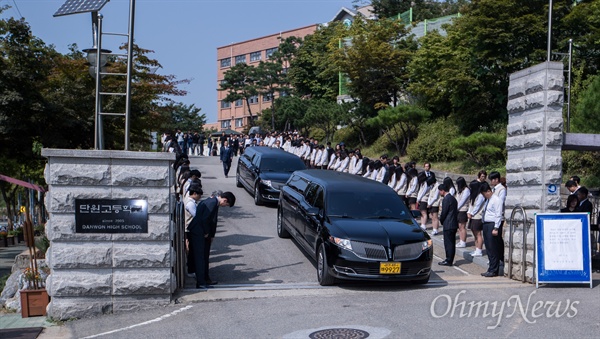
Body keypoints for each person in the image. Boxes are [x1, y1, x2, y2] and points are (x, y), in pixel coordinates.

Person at [187, 191, 236, 289]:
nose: (224, 206)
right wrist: (206, 232)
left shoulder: (211, 201)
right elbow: (205, 219)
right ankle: (201, 282)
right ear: (224, 200)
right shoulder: (212, 203)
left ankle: (205, 279)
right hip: (198, 233)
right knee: (200, 257)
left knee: (203, 256)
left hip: (198, 232)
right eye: (226, 204)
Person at [480, 182, 503, 277]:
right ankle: (491, 268)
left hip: (492, 224)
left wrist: (496, 227)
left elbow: (498, 214)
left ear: (488, 191)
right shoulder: (488, 200)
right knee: (489, 247)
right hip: (486, 224)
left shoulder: (496, 200)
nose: (484, 196)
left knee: (493, 247)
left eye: (484, 194)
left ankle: (494, 269)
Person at [184, 184, 203, 278]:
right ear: (194, 193)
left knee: (191, 249)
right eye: (199, 195)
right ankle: (191, 270)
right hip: (190, 228)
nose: (199, 198)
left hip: (189, 228)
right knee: (191, 250)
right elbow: (196, 215)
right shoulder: (190, 203)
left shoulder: (188, 200)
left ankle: (191, 269)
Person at [438, 184, 458, 266]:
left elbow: (444, 212)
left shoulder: (446, 199)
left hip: (448, 223)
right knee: (452, 242)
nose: (439, 192)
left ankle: (448, 259)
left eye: (440, 191)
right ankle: (450, 258)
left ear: (443, 190)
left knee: (448, 243)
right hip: (453, 223)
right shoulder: (453, 198)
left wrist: (441, 220)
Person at [467, 180, 485, 257]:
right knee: (474, 234)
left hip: (478, 217)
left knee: (478, 234)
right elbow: (471, 205)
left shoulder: (480, 196)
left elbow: (477, 206)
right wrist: (468, 212)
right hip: (472, 217)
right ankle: (476, 249)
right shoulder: (473, 195)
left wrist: (472, 213)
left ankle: (479, 250)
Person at [455, 177, 470, 248]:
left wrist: (456, 208)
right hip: (458, 210)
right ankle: (461, 241)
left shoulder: (466, 190)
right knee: (459, 227)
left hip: (463, 210)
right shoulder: (460, 190)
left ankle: (463, 241)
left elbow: (462, 201)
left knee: (462, 226)